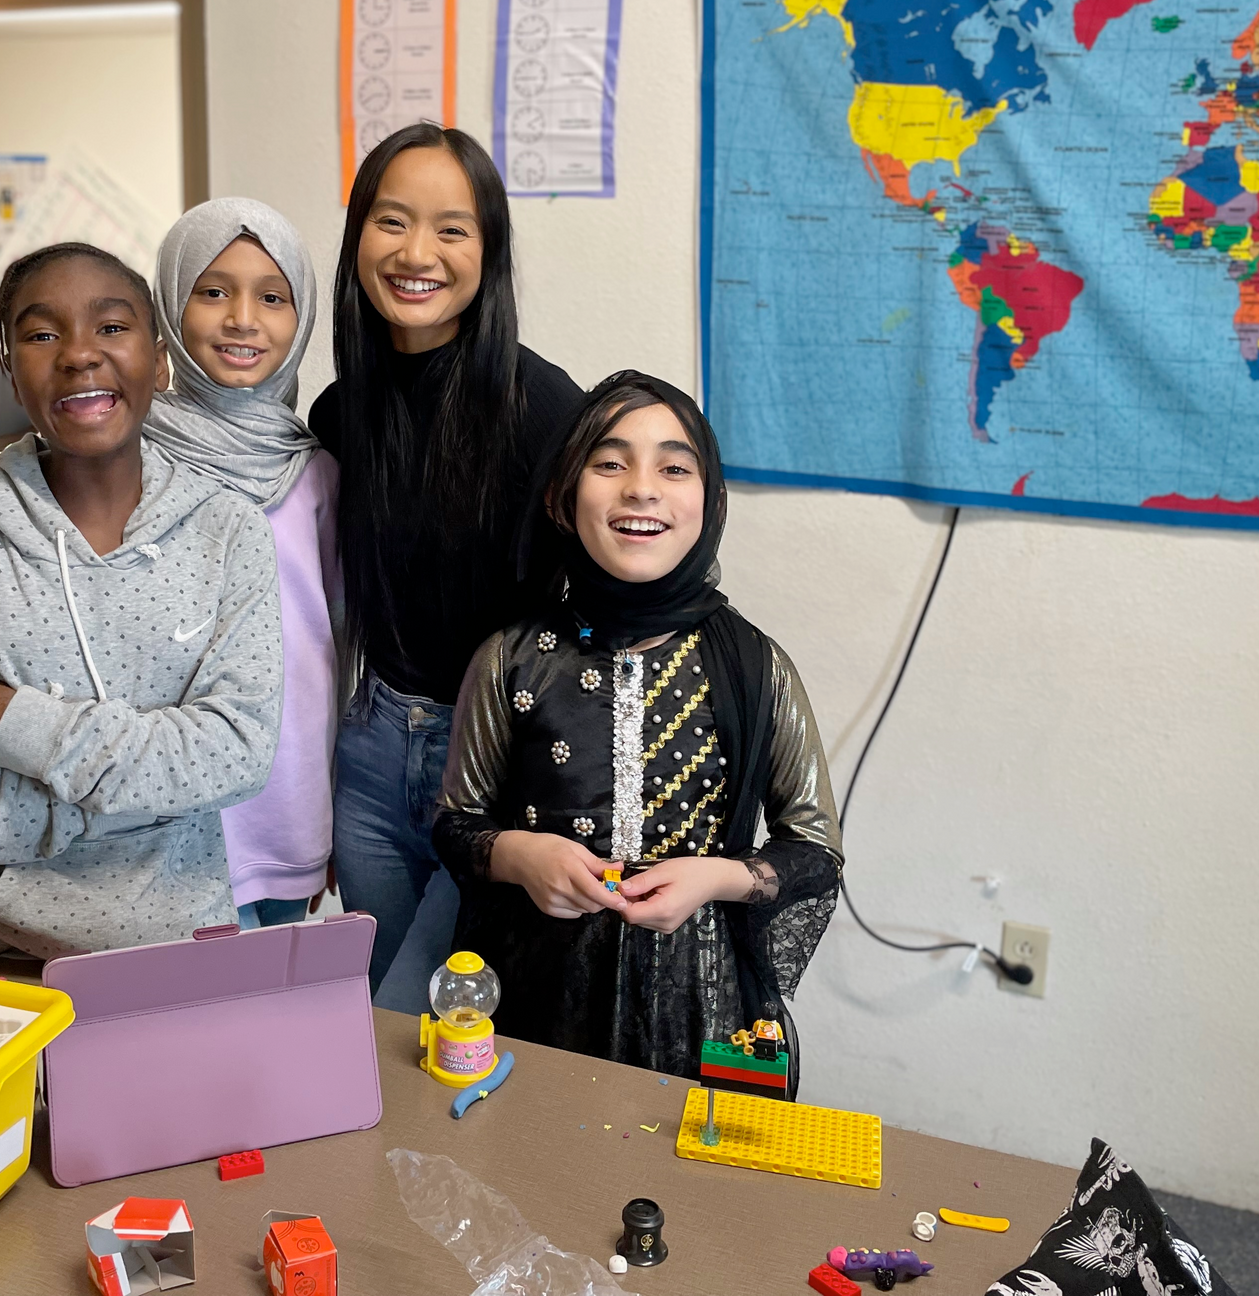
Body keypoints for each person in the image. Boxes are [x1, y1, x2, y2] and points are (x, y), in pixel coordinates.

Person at [0, 241, 283, 968]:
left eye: (112, 327)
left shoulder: (228, 529)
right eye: (41, 334)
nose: (80, 354)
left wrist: (9, 725)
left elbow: (237, 754)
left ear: (160, 361)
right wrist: (126, 809)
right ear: (10, 371)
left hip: (169, 947)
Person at [431, 371, 842, 1077]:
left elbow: (816, 851)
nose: (642, 489)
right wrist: (519, 856)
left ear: (711, 501)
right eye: (610, 463)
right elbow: (455, 823)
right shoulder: (510, 659)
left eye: (674, 468)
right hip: (535, 993)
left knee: (693, 1149)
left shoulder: (755, 666)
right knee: (529, 1143)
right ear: (562, 497)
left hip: (705, 1003)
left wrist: (718, 877)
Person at [311, 124, 584, 999]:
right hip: (371, 749)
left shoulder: (545, 408)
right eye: (391, 221)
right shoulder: (340, 412)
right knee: (385, 1015)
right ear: (358, 235)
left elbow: (612, 587)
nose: (416, 253)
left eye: (451, 229)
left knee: (425, 1016)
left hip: (495, 761)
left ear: (488, 251)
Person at [144, 198, 339, 928]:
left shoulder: (317, 472)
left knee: (275, 989)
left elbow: (339, 645)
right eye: (213, 290)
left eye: (272, 297)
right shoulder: (126, 457)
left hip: (286, 799)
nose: (243, 319)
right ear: (170, 304)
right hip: (163, 804)